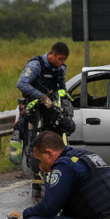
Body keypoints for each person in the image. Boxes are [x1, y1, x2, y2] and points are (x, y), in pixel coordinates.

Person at [16, 42, 70, 198]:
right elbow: (21, 84)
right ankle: (36, 183)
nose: (62, 63)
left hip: (50, 110)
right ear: (52, 55)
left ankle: (55, 180)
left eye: (64, 60)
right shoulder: (36, 65)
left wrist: (63, 101)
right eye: (60, 59)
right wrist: (41, 96)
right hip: (34, 111)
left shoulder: (60, 69)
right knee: (35, 145)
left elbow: (61, 88)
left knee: (54, 143)